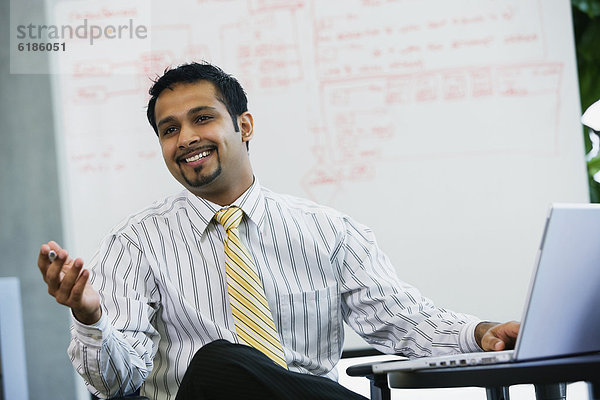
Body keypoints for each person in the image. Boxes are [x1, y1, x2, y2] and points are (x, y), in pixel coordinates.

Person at [37, 62, 520, 400]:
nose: (185, 139)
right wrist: (91, 316)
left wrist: (480, 333)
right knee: (221, 363)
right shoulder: (134, 245)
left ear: (244, 125)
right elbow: (115, 383)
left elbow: (403, 322)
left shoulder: (329, 232)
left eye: (202, 118)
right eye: (169, 129)